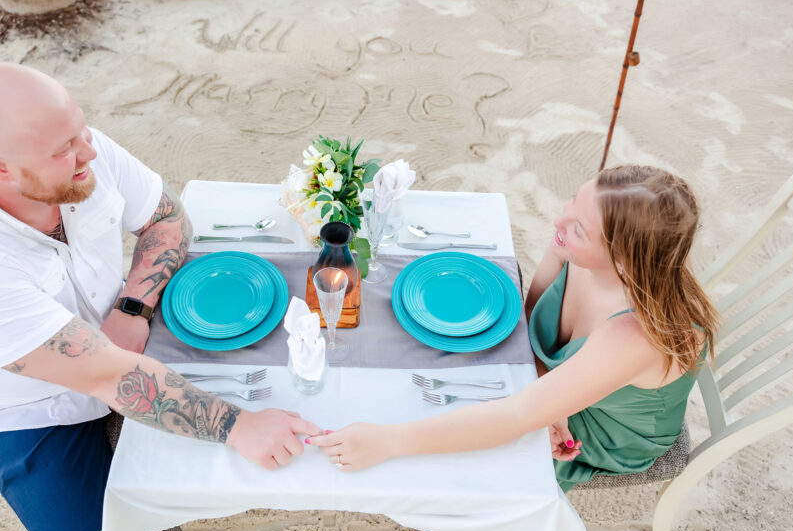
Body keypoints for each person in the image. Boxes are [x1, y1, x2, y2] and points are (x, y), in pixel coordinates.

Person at [0, 63, 320, 531]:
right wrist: (238, 426)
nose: (90, 152)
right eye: (64, 150)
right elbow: (112, 377)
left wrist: (133, 307)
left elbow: (168, 218)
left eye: (81, 131)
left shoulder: (73, 152)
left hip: (122, 336)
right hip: (23, 406)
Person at [308, 165, 719, 491]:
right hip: (565, 389)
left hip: (601, 432)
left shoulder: (633, 337)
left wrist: (387, 442)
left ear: (626, 259)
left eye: (579, 228)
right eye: (573, 201)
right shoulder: (591, 251)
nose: (560, 220)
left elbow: (515, 416)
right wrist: (546, 387)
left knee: (447, 453)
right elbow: (533, 312)